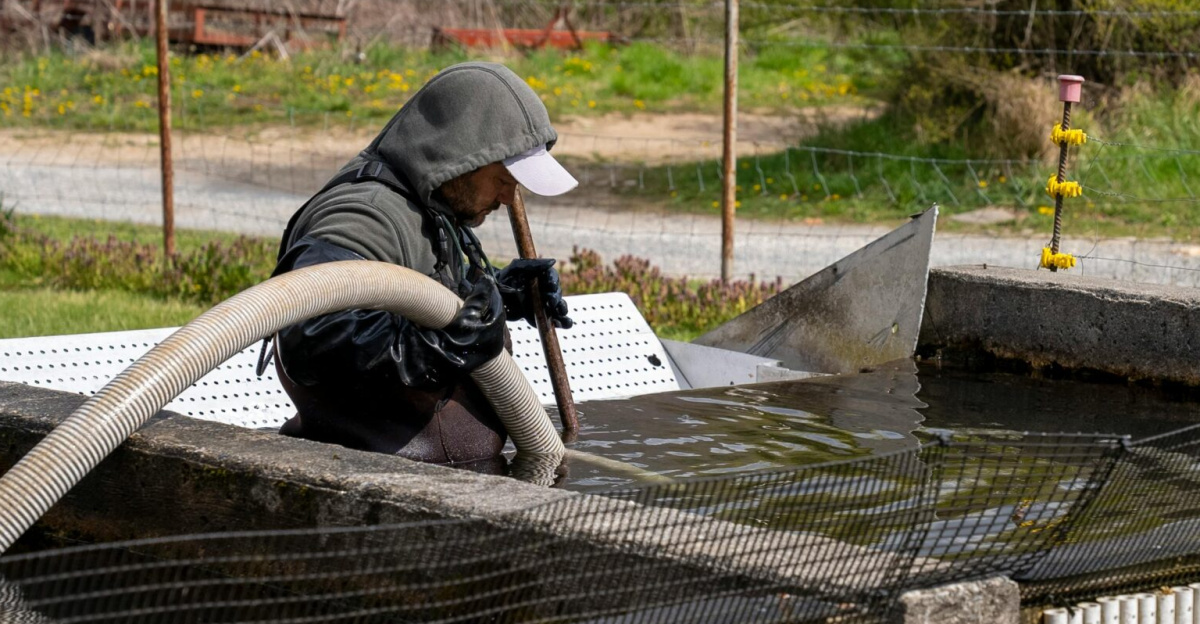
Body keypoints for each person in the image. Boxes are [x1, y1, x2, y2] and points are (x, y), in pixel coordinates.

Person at [265, 62, 577, 468]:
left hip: (441, 479)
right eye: (503, 179)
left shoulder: (430, 205)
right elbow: (309, 336)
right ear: (459, 158)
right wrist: (431, 348)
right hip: (369, 486)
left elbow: (414, 297)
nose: (507, 198)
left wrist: (502, 294)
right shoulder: (366, 217)